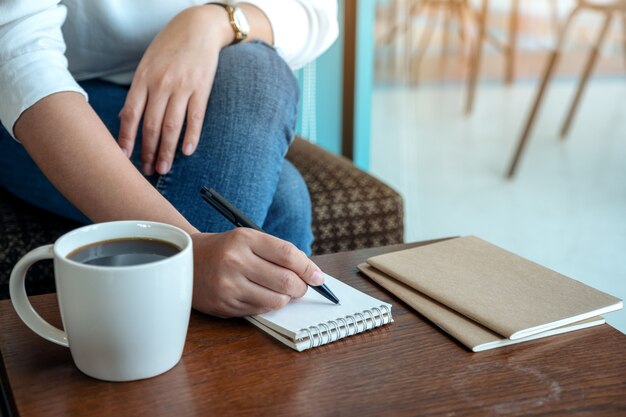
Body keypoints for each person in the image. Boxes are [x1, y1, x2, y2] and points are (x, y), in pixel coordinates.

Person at [0, 1, 338, 317]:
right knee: (285, 197)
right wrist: (188, 251)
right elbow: (16, 50)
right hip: (42, 96)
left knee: (256, 69)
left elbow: (314, 12)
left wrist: (215, 21)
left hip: (196, 78)